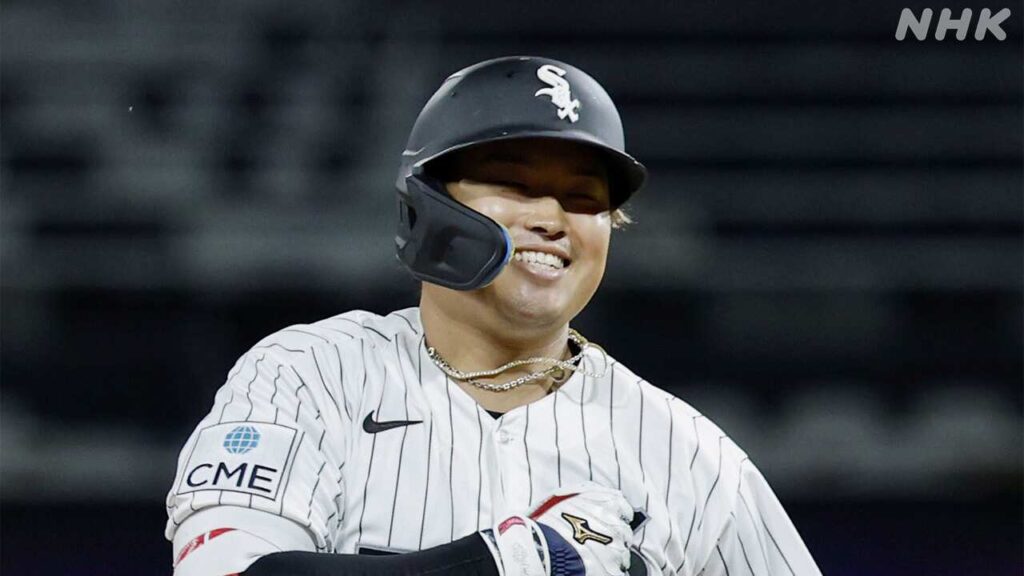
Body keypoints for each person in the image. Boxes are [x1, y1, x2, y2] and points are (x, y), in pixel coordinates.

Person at [165, 55, 822, 576]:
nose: (551, 219)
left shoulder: (689, 457)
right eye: (514, 184)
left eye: (582, 198)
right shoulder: (312, 375)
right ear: (426, 206)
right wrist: (505, 563)